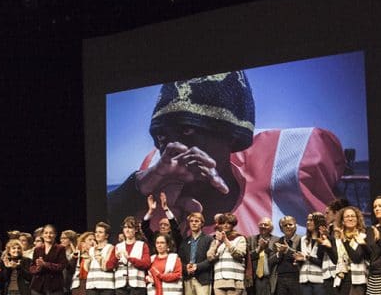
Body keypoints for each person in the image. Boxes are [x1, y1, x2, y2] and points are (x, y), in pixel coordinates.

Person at [105, 71, 346, 233]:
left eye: (188, 130)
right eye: (162, 137)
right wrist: (137, 188)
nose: (172, 150)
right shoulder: (155, 169)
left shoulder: (296, 158)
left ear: (229, 135)